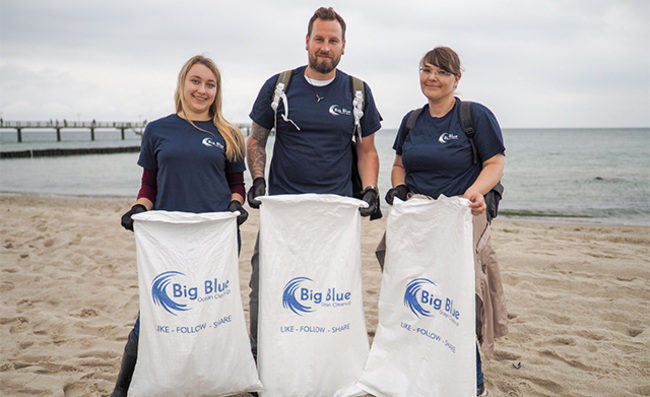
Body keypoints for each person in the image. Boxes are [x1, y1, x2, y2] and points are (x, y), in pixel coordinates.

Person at [246, 6, 383, 359]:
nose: (325, 46)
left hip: (335, 215)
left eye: (332, 40)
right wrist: (258, 180)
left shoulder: (358, 91)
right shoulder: (280, 85)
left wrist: (370, 189)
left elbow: (367, 150)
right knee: (265, 283)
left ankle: (326, 356)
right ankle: (262, 358)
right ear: (307, 41)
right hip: (283, 212)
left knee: (332, 287)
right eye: (319, 39)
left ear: (343, 45)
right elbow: (256, 139)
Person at [111, 55, 248, 397]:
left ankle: (223, 380)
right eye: (196, 81)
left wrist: (235, 205)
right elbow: (149, 187)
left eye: (210, 84)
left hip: (216, 238)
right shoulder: (158, 130)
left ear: (217, 92)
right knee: (155, 314)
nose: (202, 90)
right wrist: (138, 209)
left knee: (215, 311)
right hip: (169, 241)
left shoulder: (228, 133)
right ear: (183, 84)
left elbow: (237, 185)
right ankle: (121, 389)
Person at [384, 46, 508, 396]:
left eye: (441, 72)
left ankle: (473, 380)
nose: (432, 78)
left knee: (457, 298)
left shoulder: (474, 116)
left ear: (456, 78)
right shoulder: (411, 120)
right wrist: (399, 189)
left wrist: (473, 194)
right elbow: (399, 166)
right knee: (415, 294)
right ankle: (422, 367)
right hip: (420, 222)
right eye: (426, 70)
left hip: (462, 219)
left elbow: (494, 164)